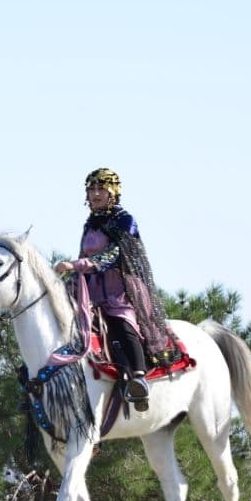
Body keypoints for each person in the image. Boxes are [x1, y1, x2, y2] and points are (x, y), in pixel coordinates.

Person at [54, 168, 171, 410]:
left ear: (113, 193)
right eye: (91, 188)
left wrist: (76, 265)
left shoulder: (124, 220)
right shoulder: (90, 223)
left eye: (101, 189)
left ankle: (139, 377)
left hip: (121, 291)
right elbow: (85, 255)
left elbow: (111, 256)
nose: (95, 193)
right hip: (92, 290)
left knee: (121, 324)